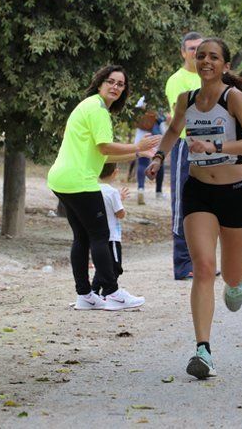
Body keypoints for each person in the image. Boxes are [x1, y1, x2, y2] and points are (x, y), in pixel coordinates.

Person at [146, 37, 242, 379]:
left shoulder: (234, 99)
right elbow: (172, 130)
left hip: (237, 194)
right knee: (203, 266)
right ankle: (203, 350)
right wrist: (159, 157)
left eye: (214, 57)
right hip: (198, 191)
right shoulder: (187, 99)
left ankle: (235, 283)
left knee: (230, 274)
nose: (206, 61)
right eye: (201, 56)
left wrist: (215, 145)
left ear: (225, 65)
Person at [47, 65, 160, 311]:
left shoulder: (89, 106)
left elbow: (103, 155)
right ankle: (112, 292)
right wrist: (136, 146)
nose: (116, 87)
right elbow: (106, 147)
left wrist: (138, 151)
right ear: (99, 83)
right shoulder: (97, 110)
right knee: (100, 236)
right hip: (80, 182)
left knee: (82, 237)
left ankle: (85, 295)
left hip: (61, 179)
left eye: (121, 84)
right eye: (111, 81)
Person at [165, 32, 204, 280]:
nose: (195, 52)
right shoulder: (177, 80)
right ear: (183, 52)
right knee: (182, 203)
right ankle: (182, 264)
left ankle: (202, 262)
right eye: (191, 49)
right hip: (186, 146)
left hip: (211, 147)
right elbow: (181, 117)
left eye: (200, 48)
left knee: (206, 204)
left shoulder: (210, 76)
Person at [90, 163, 138, 306]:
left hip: (99, 236)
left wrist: (119, 199)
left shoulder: (94, 190)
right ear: (115, 172)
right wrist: (121, 206)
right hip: (113, 237)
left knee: (102, 266)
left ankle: (95, 290)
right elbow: (120, 213)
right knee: (115, 266)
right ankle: (109, 292)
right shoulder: (112, 192)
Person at [133, 97, 166, 205]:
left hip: (142, 134)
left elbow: (135, 115)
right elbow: (163, 118)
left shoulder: (141, 99)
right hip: (156, 135)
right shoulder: (159, 97)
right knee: (159, 161)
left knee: (142, 162)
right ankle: (158, 192)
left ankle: (141, 188)